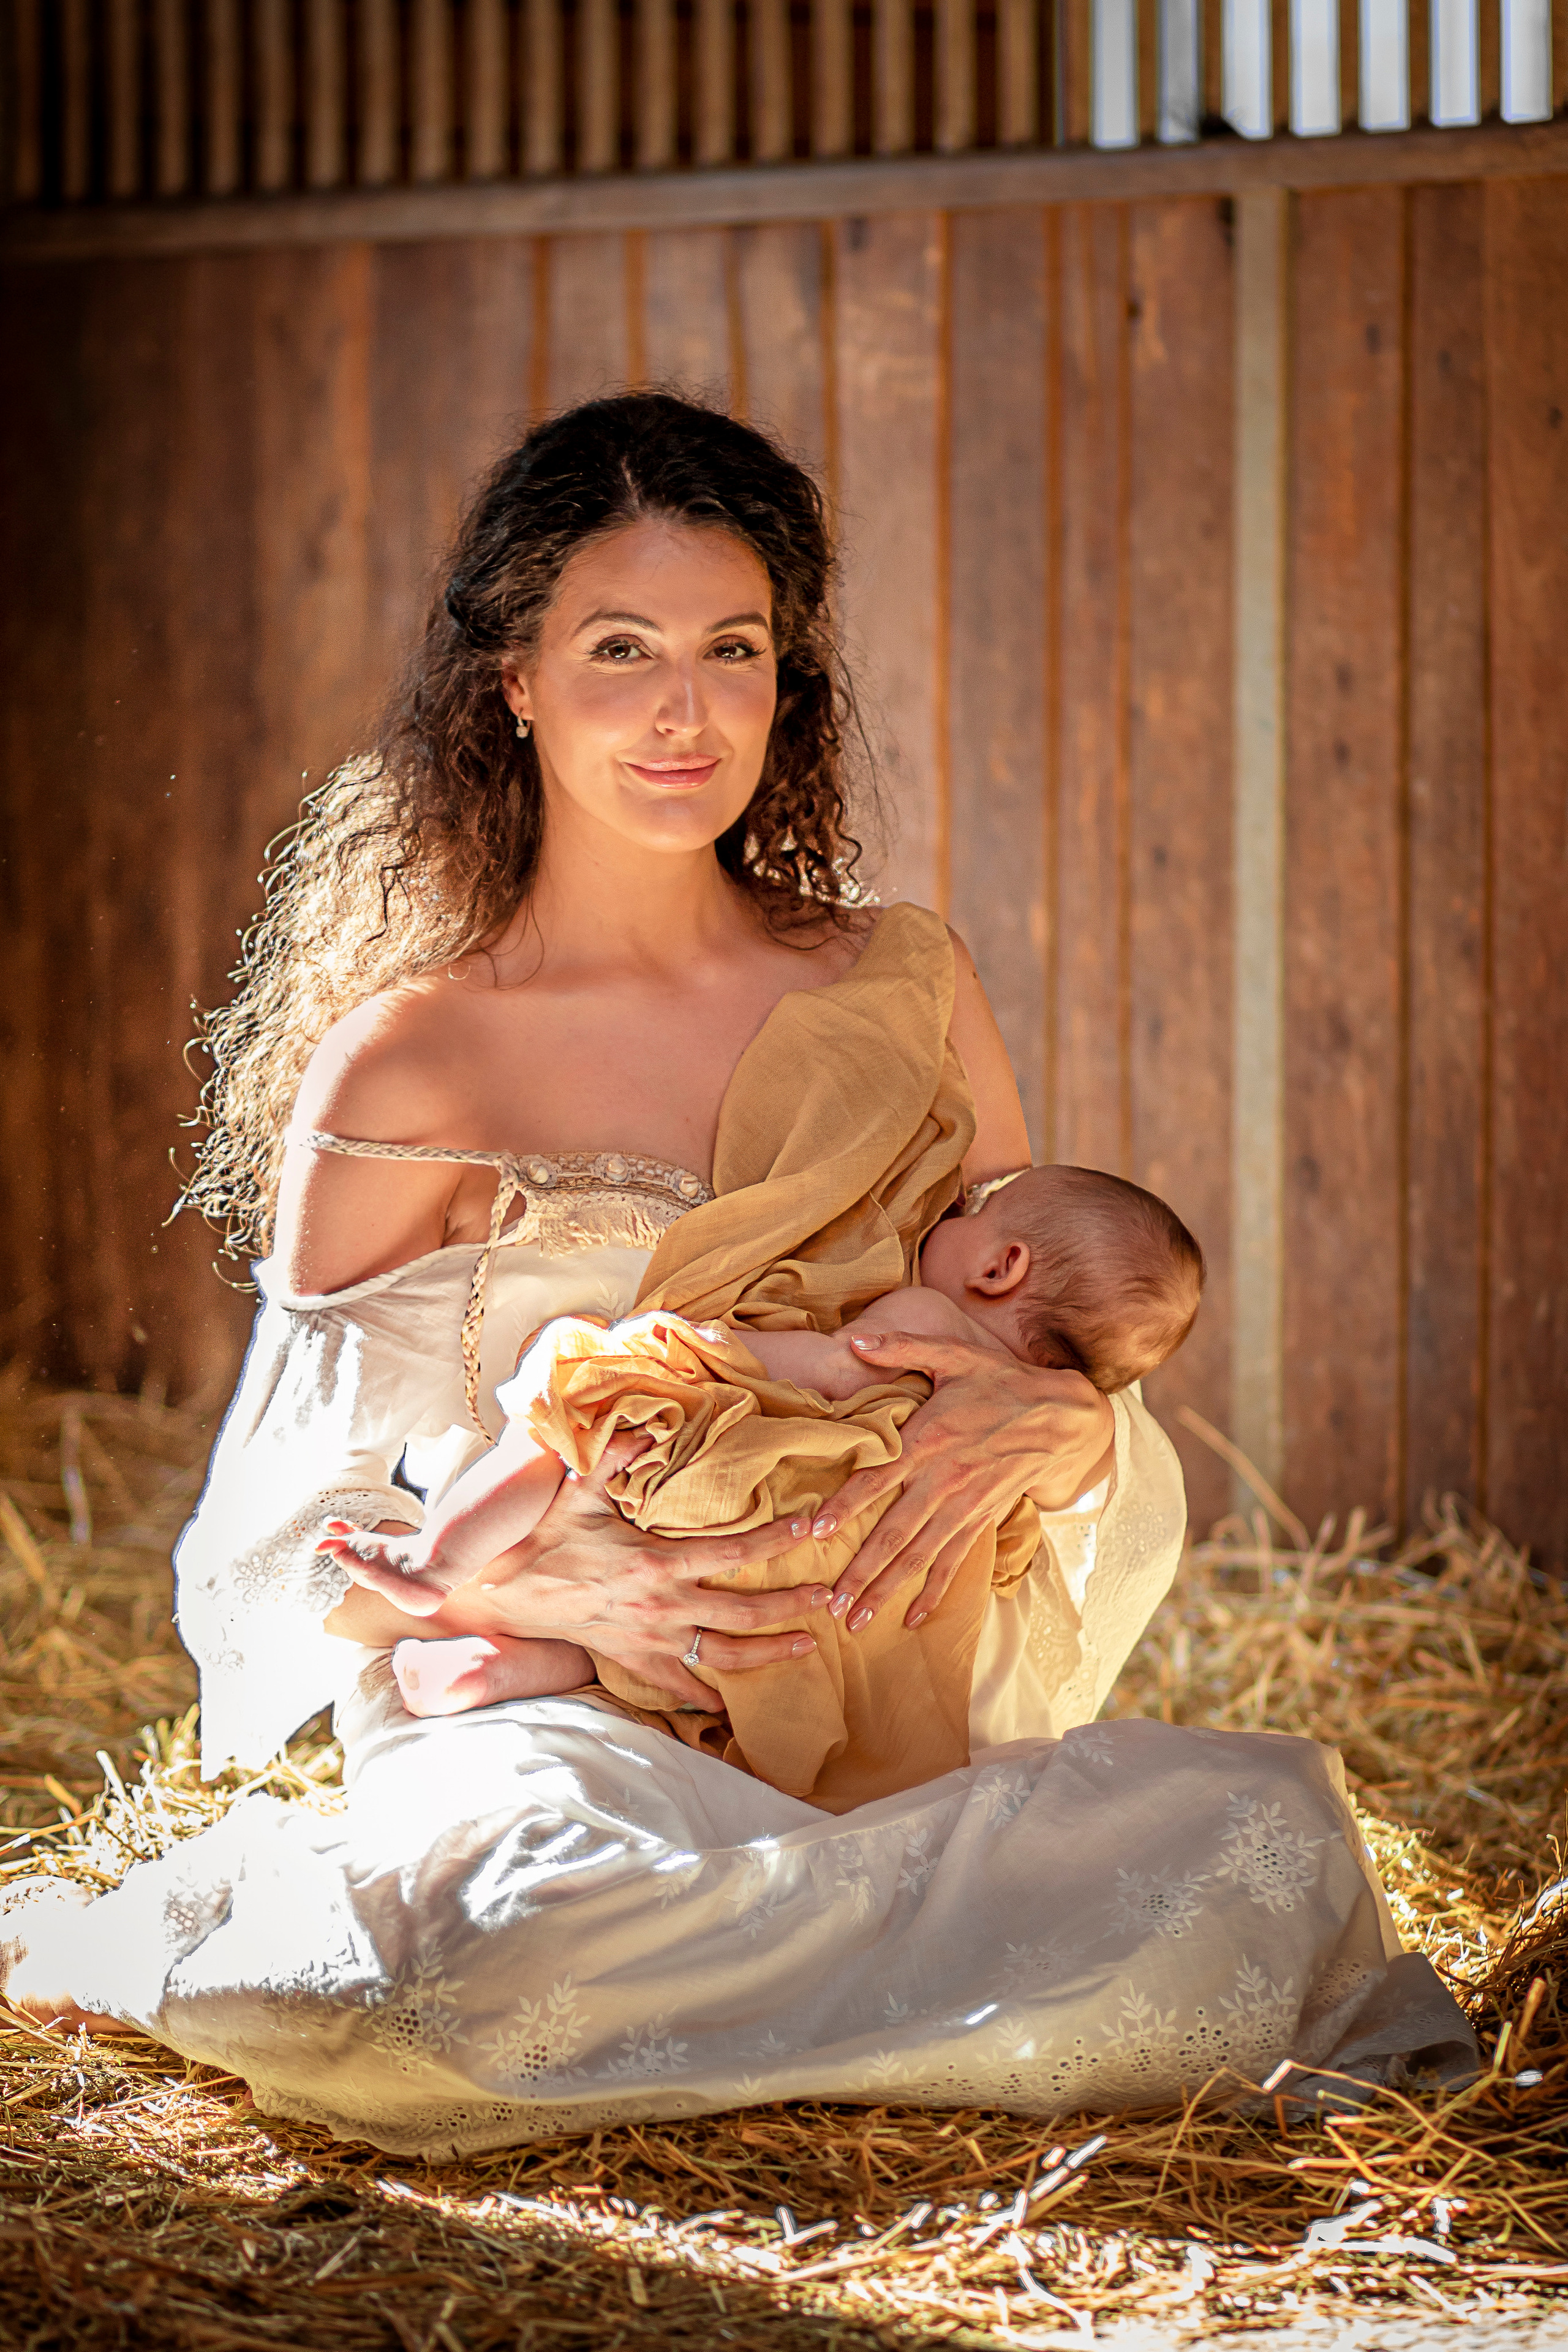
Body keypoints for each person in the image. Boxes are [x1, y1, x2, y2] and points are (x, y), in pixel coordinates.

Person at [1, 393, 1472, 2152]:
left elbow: (1038, 1347)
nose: (688, 709)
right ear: (515, 681)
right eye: (620, 648)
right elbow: (276, 1556)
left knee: (1271, 1850)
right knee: (505, 1946)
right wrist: (554, 1598)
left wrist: (1071, 1439)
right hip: (559, 1723)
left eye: (735, 646)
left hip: (867, 1716)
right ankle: (875, 1989)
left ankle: (806, 1962)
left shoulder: (900, 988)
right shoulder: (416, 1063)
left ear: (792, 677)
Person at [332, 1165, 1205, 1770]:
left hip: (758, 1500)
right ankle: (501, 1669)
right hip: (840, 1621)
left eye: (974, 1213)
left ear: (1001, 1265)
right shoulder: (1006, 1439)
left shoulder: (924, 1318)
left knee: (579, 1391)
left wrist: (702, 1348)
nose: (949, 1219)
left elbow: (829, 1368)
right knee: (675, 1676)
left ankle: (438, 1560)